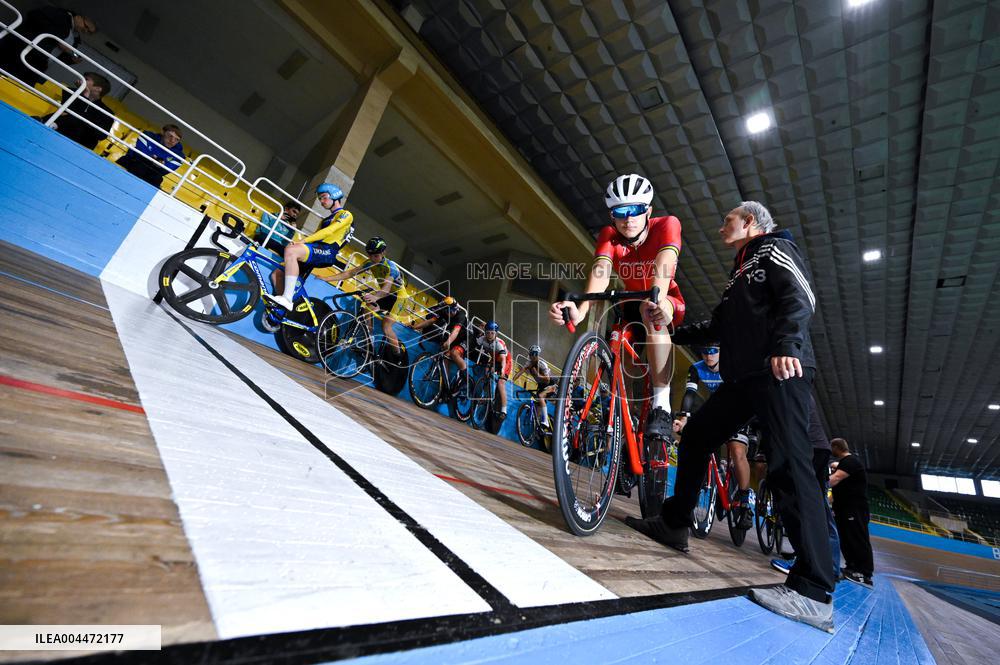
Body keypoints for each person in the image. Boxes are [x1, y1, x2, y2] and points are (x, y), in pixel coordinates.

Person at [623, 201, 835, 633]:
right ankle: (675, 522)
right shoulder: (741, 270)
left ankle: (814, 591)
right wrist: (669, 331)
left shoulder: (775, 249)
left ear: (751, 223)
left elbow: (802, 295)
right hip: (746, 378)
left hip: (780, 369)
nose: (722, 227)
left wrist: (788, 344)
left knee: (790, 469)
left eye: (728, 221)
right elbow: (719, 327)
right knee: (699, 435)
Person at [549, 173, 684, 442]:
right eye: (620, 211)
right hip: (629, 302)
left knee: (650, 309)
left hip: (665, 299)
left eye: (635, 210)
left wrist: (657, 299)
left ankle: (661, 405)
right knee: (617, 348)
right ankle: (626, 417)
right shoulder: (610, 235)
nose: (628, 218)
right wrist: (582, 309)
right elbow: (600, 272)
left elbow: (664, 263)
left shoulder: (667, 224)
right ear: (612, 215)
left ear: (649, 211)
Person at [771, 394, 842, 584]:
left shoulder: (791, 386)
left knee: (804, 508)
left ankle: (809, 563)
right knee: (819, 510)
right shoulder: (800, 387)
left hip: (810, 449)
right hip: (817, 449)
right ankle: (830, 567)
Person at [682, 345, 753, 528]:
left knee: (737, 451)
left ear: (722, 351)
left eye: (713, 351)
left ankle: (744, 502)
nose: (708, 356)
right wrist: (683, 415)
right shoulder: (697, 368)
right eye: (704, 351)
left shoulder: (733, 365)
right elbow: (690, 393)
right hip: (717, 411)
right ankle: (713, 480)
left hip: (738, 412)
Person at [265, 183, 353, 310]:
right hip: (317, 249)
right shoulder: (325, 220)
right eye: (319, 199)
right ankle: (281, 310)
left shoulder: (345, 214)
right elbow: (317, 235)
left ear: (334, 195)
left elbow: (329, 232)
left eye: (324, 197)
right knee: (277, 274)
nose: (321, 202)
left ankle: (287, 299)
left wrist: (302, 242)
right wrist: (301, 244)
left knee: (291, 251)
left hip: (328, 251)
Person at [318, 237, 404, 353]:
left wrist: (375, 297)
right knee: (366, 309)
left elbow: (386, 289)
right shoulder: (370, 263)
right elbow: (350, 273)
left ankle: (398, 357)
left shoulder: (391, 268)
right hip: (387, 295)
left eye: (375, 256)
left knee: (386, 326)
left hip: (399, 297)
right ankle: (369, 339)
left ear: (384, 253)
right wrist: (326, 278)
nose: (372, 259)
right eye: (370, 255)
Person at [0, 6, 96, 86]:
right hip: (21, 50)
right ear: (79, 17)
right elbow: (34, 15)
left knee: (18, 86)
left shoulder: (75, 38)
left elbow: (58, 55)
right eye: (86, 26)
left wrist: (71, 59)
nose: (85, 30)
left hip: (38, 65)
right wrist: (56, 38)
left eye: (89, 32)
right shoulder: (60, 14)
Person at [830, 437, 873, 589]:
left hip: (854, 508)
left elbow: (834, 480)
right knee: (846, 538)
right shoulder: (845, 463)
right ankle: (852, 567)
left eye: (832, 448)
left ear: (836, 447)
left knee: (857, 538)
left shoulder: (851, 462)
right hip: (844, 508)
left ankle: (865, 574)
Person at [39, 71, 113, 150]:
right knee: (75, 118)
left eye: (86, 79)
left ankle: (47, 124)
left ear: (98, 88)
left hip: (80, 141)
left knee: (78, 121)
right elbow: (67, 112)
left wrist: (84, 120)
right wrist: (84, 95)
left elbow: (101, 135)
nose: (81, 80)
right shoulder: (70, 92)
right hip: (62, 129)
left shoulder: (106, 112)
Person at [412, 296, 469, 393]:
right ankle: (445, 387)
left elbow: (456, 331)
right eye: (447, 311)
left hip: (465, 338)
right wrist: (415, 327)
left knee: (454, 353)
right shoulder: (445, 312)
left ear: (454, 309)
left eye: (450, 311)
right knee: (444, 356)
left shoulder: (461, 315)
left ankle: (465, 380)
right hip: (454, 337)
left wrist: (448, 342)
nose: (449, 314)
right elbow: (431, 321)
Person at [116, 124, 185, 188]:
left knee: (158, 179)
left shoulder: (179, 156)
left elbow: (166, 169)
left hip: (152, 173)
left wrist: (154, 159)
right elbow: (140, 152)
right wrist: (157, 161)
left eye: (177, 139)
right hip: (133, 162)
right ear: (163, 132)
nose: (172, 141)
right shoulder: (148, 135)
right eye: (170, 136)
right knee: (135, 164)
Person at [471, 321, 511, 422]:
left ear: (496, 333)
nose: (489, 335)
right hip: (494, 359)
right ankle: (486, 395)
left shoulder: (499, 344)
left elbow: (503, 360)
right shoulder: (482, 339)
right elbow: (472, 345)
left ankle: (504, 411)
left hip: (505, 361)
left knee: (501, 383)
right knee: (486, 371)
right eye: (487, 332)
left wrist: (502, 371)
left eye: (492, 333)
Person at [510, 344, 557, 432]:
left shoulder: (542, 364)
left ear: (535, 355)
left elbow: (547, 379)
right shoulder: (529, 363)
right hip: (541, 385)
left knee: (540, 396)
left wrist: (538, 375)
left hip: (550, 384)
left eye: (532, 355)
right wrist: (512, 380)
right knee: (536, 404)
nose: (530, 357)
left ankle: (545, 421)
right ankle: (538, 427)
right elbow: (521, 371)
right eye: (530, 354)